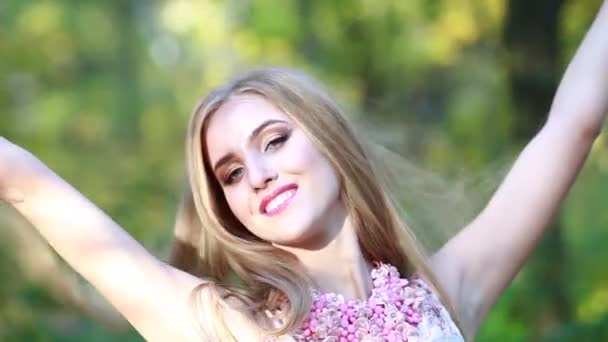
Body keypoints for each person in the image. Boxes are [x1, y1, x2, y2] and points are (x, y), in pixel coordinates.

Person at [1, 2, 607, 340]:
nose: (258, 175)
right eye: (231, 173)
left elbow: (572, 125)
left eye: (275, 139)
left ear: (331, 141)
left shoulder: (445, 294)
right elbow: (24, 183)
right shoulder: (229, 327)